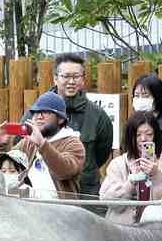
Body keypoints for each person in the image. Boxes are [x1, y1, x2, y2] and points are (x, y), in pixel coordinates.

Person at [47, 53, 113, 197]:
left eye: (76, 76)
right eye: (66, 76)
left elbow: (102, 152)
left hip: (86, 193)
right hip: (48, 191)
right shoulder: (39, 112)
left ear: (83, 80)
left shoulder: (98, 115)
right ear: (55, 78)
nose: (71, 81)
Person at [99, 111, 162, 223]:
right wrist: (131, 182)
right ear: (130, 137)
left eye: (149, 134)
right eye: (138, 135)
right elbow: (108, 202)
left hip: (156, 229)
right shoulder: (118, 164)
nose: (143, 139)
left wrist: (156, 176)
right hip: (121, 229)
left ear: (156, 136)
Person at [11, 92, 85, 199]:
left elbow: (64, 171)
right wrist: (1, 146)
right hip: (28, 206)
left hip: (60, 208)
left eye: (45, 112)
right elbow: (8, 166)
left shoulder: (73, 143)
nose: (39, 116)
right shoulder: (28, 142)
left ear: (61, 119)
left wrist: (42, 144)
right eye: (36, 112)